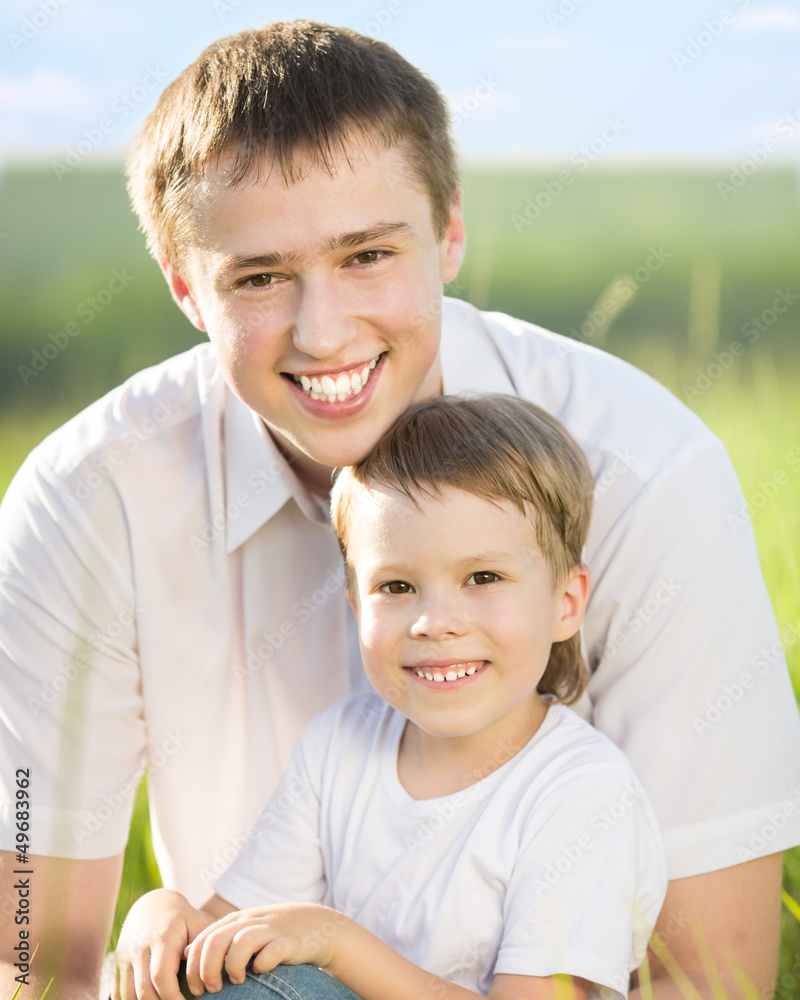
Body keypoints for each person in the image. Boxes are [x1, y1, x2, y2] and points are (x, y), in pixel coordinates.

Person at [0, 19, 797, 1000]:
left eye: (367, 255)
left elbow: (709, 980)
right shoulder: (86, 502)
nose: (323, 330)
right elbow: (31, 954)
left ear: (450, 231)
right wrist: (158, 918)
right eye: (258, 276)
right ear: (184, 288)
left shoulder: (645, 475)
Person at [113, 394, 668, 1000]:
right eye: (396, 585)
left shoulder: (581, 790)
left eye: (483, 577)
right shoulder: (338, 747)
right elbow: (233, 937)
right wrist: (160, 913)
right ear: (354, 603)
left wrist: (336, 943)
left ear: (566, 602)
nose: (435, 622)